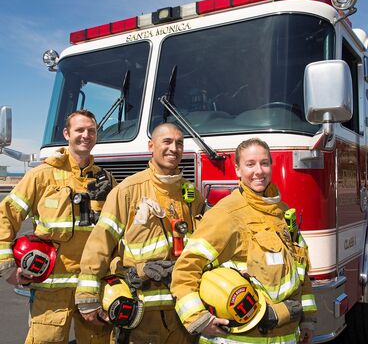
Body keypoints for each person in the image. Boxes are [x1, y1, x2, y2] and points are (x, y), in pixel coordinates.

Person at [171, 138, 317, 344]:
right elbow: (185, 270)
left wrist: (308, 320)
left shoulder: (282, 212)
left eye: (264, 163)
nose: (259, 171)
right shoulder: (226, 214)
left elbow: (301, 272)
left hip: (287, 336)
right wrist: (198, 319)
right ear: (237, 170)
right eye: (250, 164)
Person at [75, 122, 205, 344]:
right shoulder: (127, 191)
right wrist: (87, 297)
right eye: (167, 142)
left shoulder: (191, 194)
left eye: (179, 143)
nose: (174, 148)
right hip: (141, 315)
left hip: (183, 312)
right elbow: (100, 244)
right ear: (151, 146)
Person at [0, 109, 116, 343]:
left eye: (91, 131)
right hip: (50, 288)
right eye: (79, 130)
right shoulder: (41, 176)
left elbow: (117, 232)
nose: (86, 135)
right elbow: (6, 214)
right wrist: (8, 269)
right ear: (67, 134)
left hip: (93, 286)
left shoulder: (107, 180)